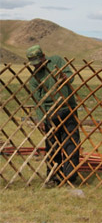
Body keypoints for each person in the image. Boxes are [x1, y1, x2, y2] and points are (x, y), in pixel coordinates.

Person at [26, 44, 80, 184]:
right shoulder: (34, 78)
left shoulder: (56, 60)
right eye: (33, 64)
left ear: (43, 56)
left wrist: (64, 77)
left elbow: (70, 77)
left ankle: (70, 176)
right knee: (52, 146)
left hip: (67, 108)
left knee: (71, 143)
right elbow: (38, 101)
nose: (36, 66)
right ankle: (54, 176)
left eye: (37, 62)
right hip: (49, 114)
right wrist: (41, 119)